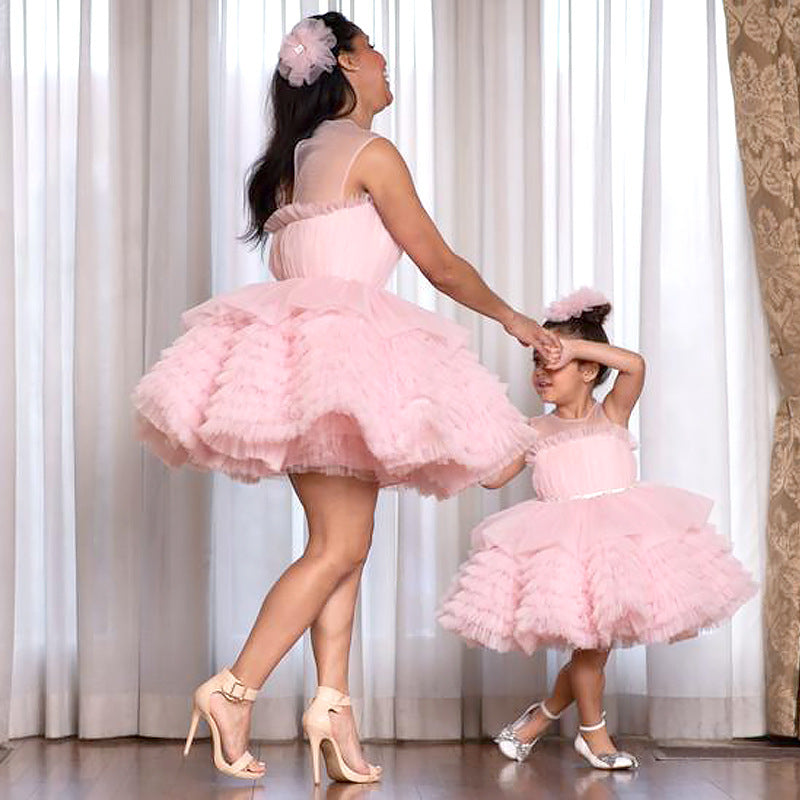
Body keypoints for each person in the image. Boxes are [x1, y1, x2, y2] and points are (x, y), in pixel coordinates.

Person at [132, 12, 560, 784]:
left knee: (345, 550)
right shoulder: (370, 152)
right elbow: (439, 263)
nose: (386, 59)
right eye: (373, 50)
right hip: (343, 357)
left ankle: (332, 709)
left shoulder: (295, 159)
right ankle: (235, 689)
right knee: (338, 547)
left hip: (298, 361)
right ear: (347, 68)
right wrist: (515, 319)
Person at [437, 287, 757, 770]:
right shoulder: (533, 431)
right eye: (537, 364)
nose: (541, 373)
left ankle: (540, 722)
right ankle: (592, 734)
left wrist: (573, 346)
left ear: (587, 370)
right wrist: (467, 430)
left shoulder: (613, 414)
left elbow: (634, 365)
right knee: (590, 650)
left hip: (620, 547)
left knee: (594, 651)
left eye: (552, 364)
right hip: (564, 552)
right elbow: (490, 478)